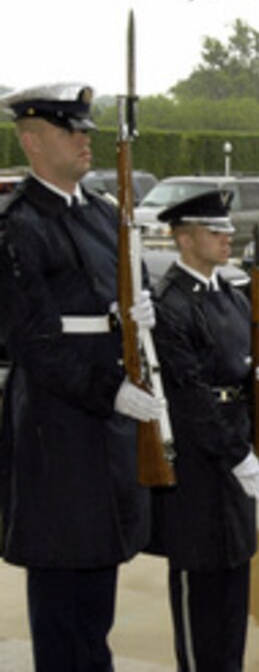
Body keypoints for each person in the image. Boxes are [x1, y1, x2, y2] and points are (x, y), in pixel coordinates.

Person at [0, 83, 162, 670]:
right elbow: (32, 340)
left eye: (85, 130)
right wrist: (110, 390)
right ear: (32, 141)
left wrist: (140, 313)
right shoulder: (19, 225)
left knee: (98, 580)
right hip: (57, 426)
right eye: (70, 131)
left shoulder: (100, 214)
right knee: (61, 587)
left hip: (104, 424)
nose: (84, 140)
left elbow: (126, 283)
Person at [148, 189, 259, 671]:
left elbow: (237, 362)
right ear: (184, 240)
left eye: (227, 229)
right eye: (214, 231)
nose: (228, 237)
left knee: (232, 586)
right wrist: (236, 452)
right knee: (198, 590)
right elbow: (188, 396)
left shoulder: (227, 291)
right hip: (198, 463)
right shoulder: (171, 303)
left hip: (233, 449)